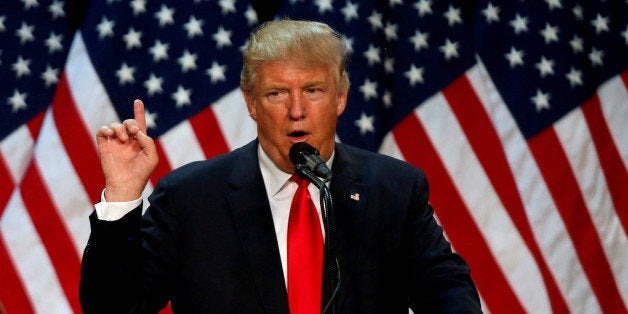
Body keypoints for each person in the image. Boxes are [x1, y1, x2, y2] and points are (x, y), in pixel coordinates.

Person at [79, 19, 482, 313]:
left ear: (340, 98)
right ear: (251, 103)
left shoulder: (393, 189)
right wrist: (123, 195)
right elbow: (116, 309)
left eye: (313, 91)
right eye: (276, 93)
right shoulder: (190, 198)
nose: (296, 111)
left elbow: (446, 290)